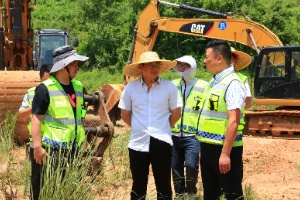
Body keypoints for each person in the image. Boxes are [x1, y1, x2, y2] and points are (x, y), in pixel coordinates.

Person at [118, 51, 182, 200]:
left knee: (164, 183)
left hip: (162, 141)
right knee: (138, 184)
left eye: (157, 65)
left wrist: (163, 127)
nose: (154, 68)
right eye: (150, 65)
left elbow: (176, 113)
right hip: (138, 143)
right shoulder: (131, 88)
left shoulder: (169, 87)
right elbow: (125, 115)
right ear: (141, 67)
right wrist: (139, 128)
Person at [31, 45, 88, 200]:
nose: (77, 66)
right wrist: (37, 147)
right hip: (50, 150)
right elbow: (36, 118)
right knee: (44, 191)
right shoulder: (45, 89)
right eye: (74, 63)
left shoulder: (78, 87)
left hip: (73, 149)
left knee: (66, 191)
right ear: (63, 66)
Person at [196, 40, 246, 200]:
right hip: (209, 146)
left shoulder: (233, 84)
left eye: (207, 56)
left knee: (232, 193)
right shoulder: (214, 81)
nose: (204, 60)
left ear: (219, 59)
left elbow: (233, 121)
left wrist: (225, 154)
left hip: (224, 148)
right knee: (210, 193)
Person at [171, 55, 208, 199]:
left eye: (185, 65)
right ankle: (179, 195)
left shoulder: (204, 86)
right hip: (174, 134)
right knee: (175, 168)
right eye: (179, 65)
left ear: (192, 67)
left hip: (193, 136)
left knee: (192, 166)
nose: (181, 68)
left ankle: (191, 194)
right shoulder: (173, 85)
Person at [18, 64, 52, 143]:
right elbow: (21, 114)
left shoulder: (58, 93)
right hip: (36, 140)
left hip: (55, 142)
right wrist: (35, 107)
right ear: (40, 78)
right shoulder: (31, 93)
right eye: (46, 81)